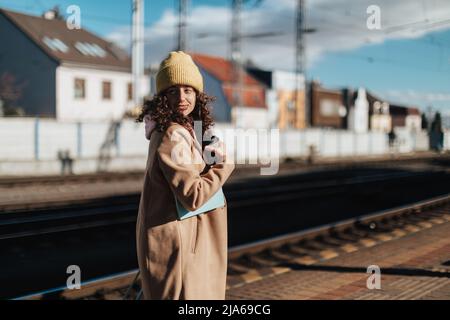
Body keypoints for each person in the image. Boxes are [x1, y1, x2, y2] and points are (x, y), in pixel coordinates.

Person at [135, 51, 235, 300]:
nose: (182, 97)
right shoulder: (172, 134)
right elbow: (193, 194)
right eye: (173, 91)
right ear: (162, 97)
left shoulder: (185, 130)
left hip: (185, 239)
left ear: (197, 94)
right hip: (179, 245)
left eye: (188, 90)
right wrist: (224, 165)